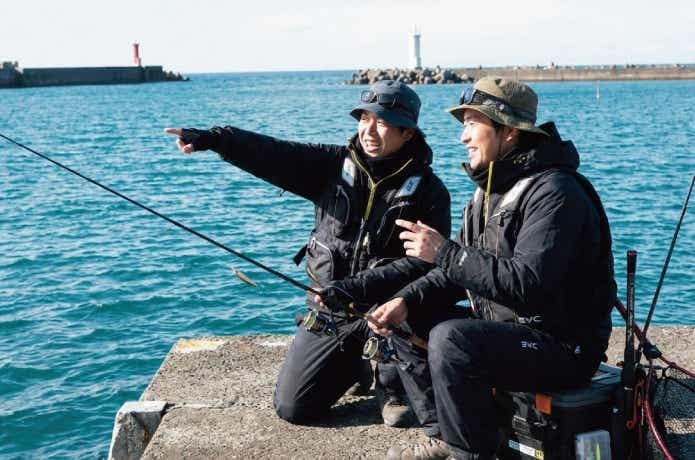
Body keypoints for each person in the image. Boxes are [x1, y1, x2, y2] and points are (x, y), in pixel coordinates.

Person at [330, 76, 616, 459]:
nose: (463, 137)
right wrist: (404, 301)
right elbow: (456, 273)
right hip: (512, 331)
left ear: (508, 131)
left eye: (471, 124)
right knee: (408, 315)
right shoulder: (489, 191)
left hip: (563, 347)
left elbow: (529, 283)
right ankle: (446, 435)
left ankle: (469, 452)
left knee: (453, 340)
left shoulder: (556, 192)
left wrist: (444, 252)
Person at [164, 80, 451, 427]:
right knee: (293, 408)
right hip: (331, 308)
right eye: (364, 118)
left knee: (401, 413)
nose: (369, 130)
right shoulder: (331, 165)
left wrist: (355, 287)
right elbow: (272, 153)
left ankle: (388, 382)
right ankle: (354, 363)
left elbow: (421, 265)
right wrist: (216, 139)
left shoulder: (430, 192)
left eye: (383, 122)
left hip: (388, 313)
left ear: (407, 133)